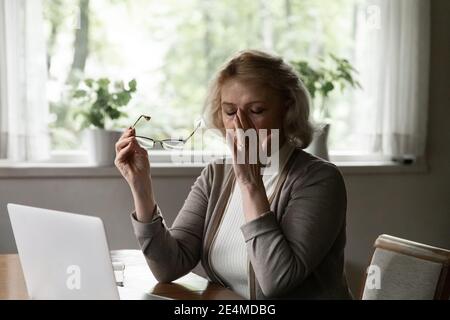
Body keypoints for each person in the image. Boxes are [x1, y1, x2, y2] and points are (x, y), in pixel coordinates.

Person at [114, 50, 352, 299]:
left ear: (287, 109)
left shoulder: (319, 180)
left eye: (256, 110)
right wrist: (141, 186)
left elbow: (276, 282)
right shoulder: (216, 175)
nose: (240, 124)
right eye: (230, 112)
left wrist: (250, 181)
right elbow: (169, 266)